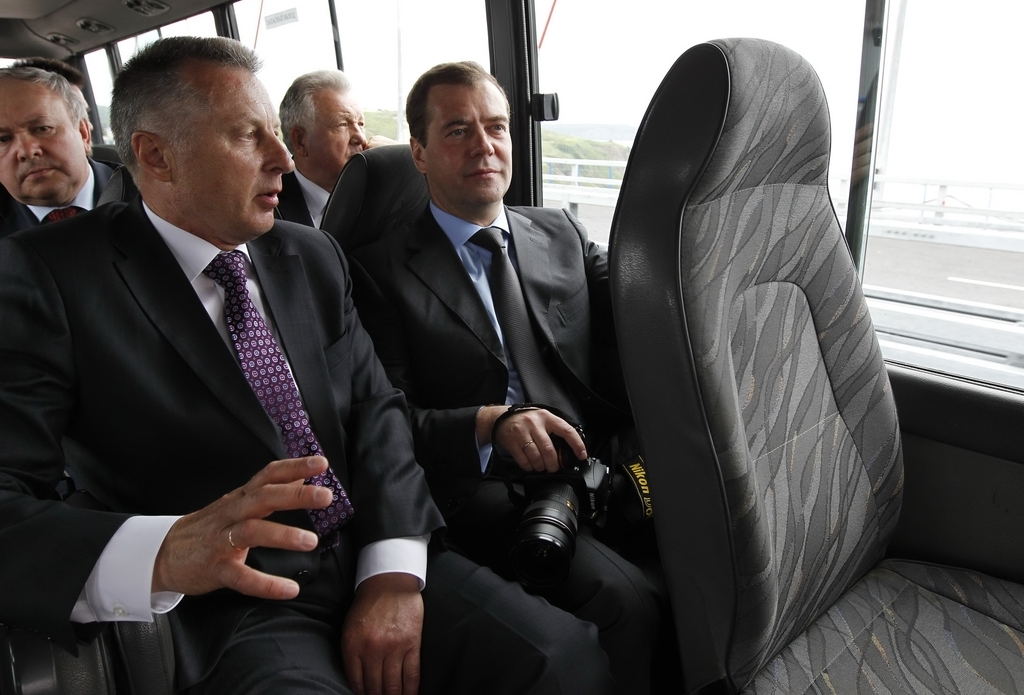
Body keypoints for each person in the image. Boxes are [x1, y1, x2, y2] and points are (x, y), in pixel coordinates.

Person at [0, 38, 615, 695]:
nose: (284, 159)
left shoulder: (313, 256)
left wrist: (391, 572)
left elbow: (377, 415)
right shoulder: (49, 277)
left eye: (277, 132)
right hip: (233, 605)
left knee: (564, 660)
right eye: (249, 136)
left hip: (368, 553)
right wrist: (165, 551)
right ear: (156, 155)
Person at [349, 61, 661, 695]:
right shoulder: (376, 272)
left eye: (496, 127)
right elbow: (388, 422)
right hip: (487, 482)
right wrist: (492, 425)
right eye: (457, 131)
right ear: (419, 152)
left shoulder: (560, 230)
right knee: (628, 602)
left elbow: (649, 305)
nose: (484, 146)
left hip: (596, 460)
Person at [0, 66, 119, 238]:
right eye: (3, 139)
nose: (27, 151)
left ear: (83, 133)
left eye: (43, 128)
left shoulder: (148, 193)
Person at [277, 70, 395, 228]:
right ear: (300, 141)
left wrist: (399, 159)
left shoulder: (383, 194)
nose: (361, 138)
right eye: (343, 124)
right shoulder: (268, 205)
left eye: (360, 124)